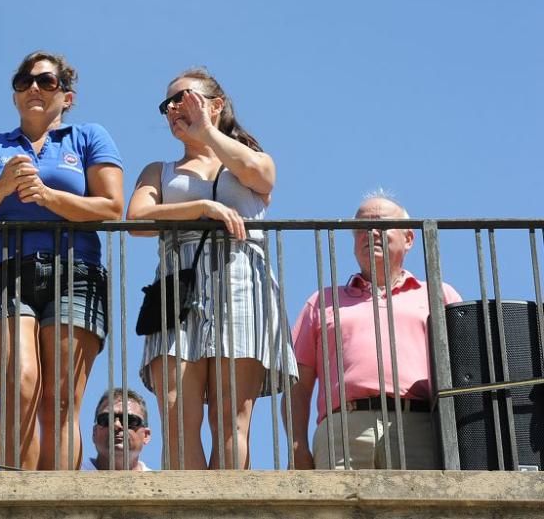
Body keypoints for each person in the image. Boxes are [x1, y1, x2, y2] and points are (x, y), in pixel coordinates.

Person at [0, 50, 124, 469]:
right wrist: (3, 187)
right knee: (20, 385)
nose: (33, 88)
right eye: (24, 81)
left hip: (75, 273)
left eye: (46, 81)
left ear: (68, 96)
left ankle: (57, 504)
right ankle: (17, 502)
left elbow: (112, 207)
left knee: (60, 400)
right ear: (14, 96)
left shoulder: (89, 137)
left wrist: (47, 196)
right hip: (3, 274)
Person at [126, 67, 295, 470]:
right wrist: (202, 208)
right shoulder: (158, 170)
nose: (172, 109)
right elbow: (136, 219)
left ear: (216, 105)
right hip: (177, 286)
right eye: (167, 104)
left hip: (240, 282)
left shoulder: (251, 157)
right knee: (177, 417)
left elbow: (260, 176)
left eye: (183, 99)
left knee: (231, 418)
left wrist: (208, 133)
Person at [287, 193, 463, 470]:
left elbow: (467, 365)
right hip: (342, 430)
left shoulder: (438, 294)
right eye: (360, 228)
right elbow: (297, 382)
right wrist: (297, 445)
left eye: (381, 225)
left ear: (409, 238)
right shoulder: (322, 301)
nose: (370, 233)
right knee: (339, 514)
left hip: (418, 426)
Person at [82, 387, 153, 471]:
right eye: (106, 419)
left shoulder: (160, 482)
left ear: (146, 435)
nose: (116, 425)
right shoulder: (71, 472)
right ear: (94, 433)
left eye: (129, 420)